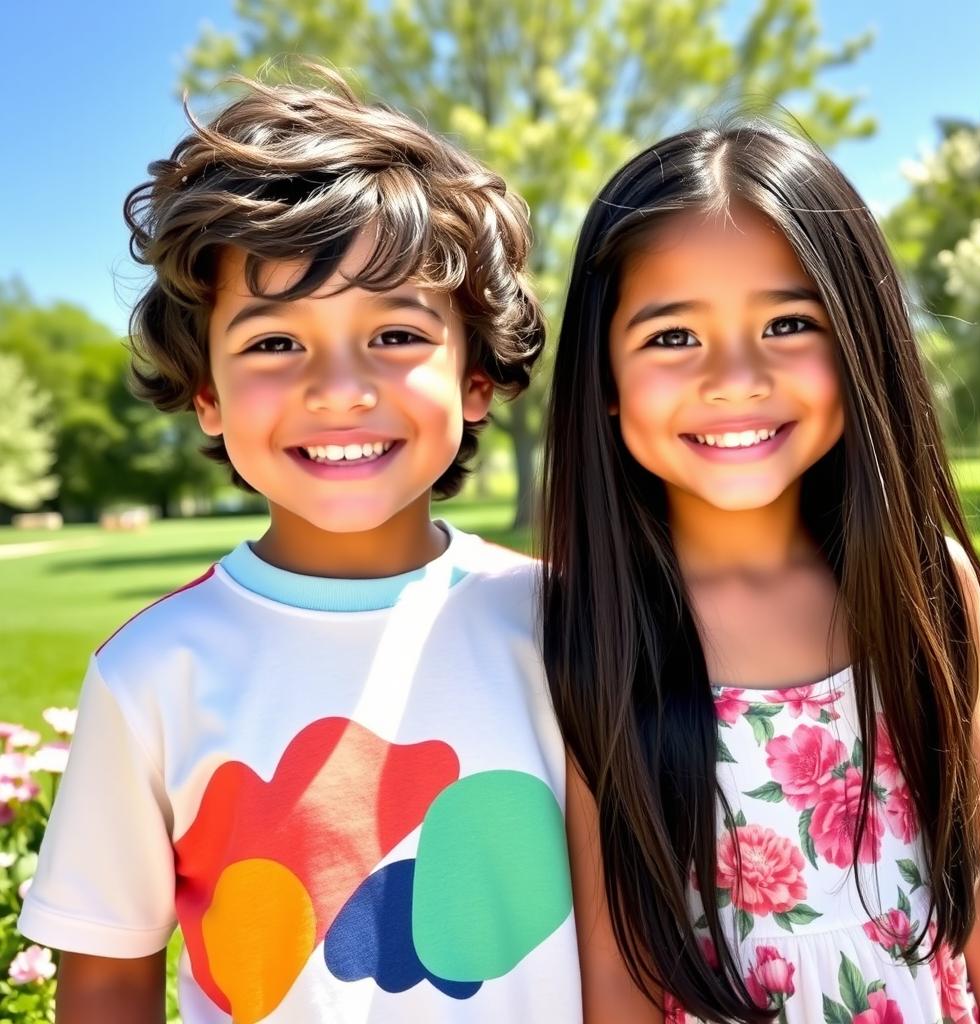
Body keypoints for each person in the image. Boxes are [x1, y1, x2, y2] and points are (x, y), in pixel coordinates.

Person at [19, 68, 581, 1024]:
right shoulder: (152, 671)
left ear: (478, 374)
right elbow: (109, 976)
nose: (339, 388)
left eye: (397, 333)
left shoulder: (566, 622)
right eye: (276, 344)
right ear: (206, 392)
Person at [541, 119, 980, 1024]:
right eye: (673, 336)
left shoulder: (926, 588)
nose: (735, 376)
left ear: (861, 343)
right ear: (603, 378)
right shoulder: (592, 630)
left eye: (789, 323)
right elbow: (616, 960)